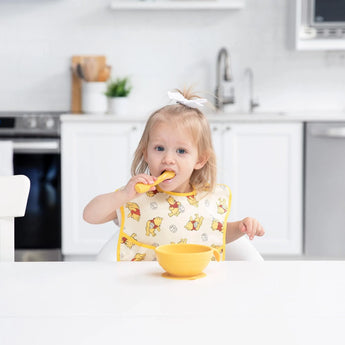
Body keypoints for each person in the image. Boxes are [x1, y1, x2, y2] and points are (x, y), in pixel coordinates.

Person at [83, 88, 265, 261]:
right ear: (146, 153)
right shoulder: (136, 196)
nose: (168, 159)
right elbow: (90, 216)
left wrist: (241, 227)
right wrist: (122, 195)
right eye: (159, 148)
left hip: (195, 285)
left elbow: (214, 235)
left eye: (181, 151)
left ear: (200, 160)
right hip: (145, 286)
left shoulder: (207, 199)